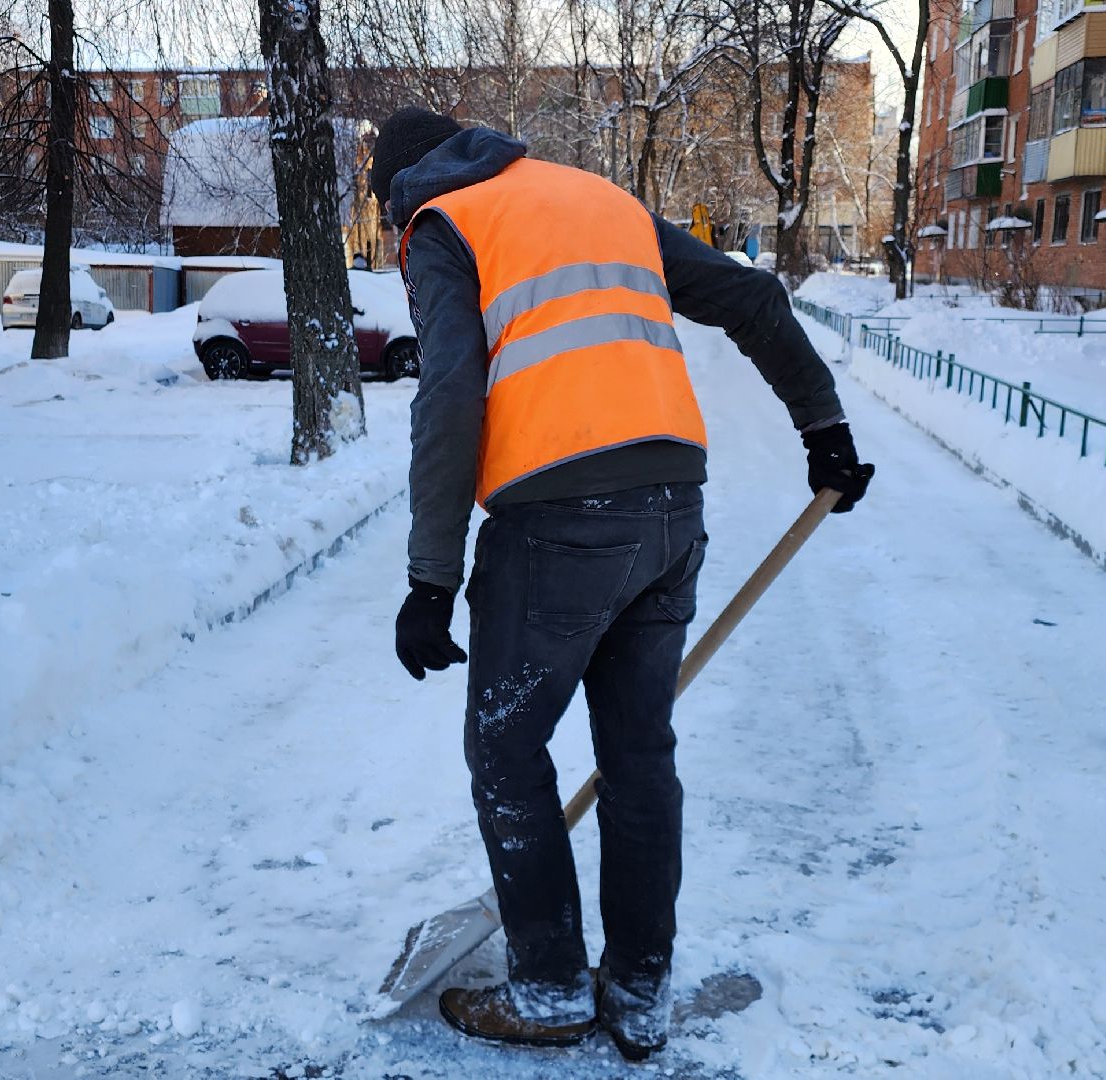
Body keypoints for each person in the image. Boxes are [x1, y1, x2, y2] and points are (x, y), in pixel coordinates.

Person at [374, 106, 874, 1062]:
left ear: (407, 184)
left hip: (557, 525)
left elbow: (448, 396)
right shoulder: (598, 198)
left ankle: (552, 988)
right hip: (669, 511)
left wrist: (429, 578)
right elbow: (753, 297)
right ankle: (638, 993)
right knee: (639, 758)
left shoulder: (442, 224)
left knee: (508, 754)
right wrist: (825, 429)